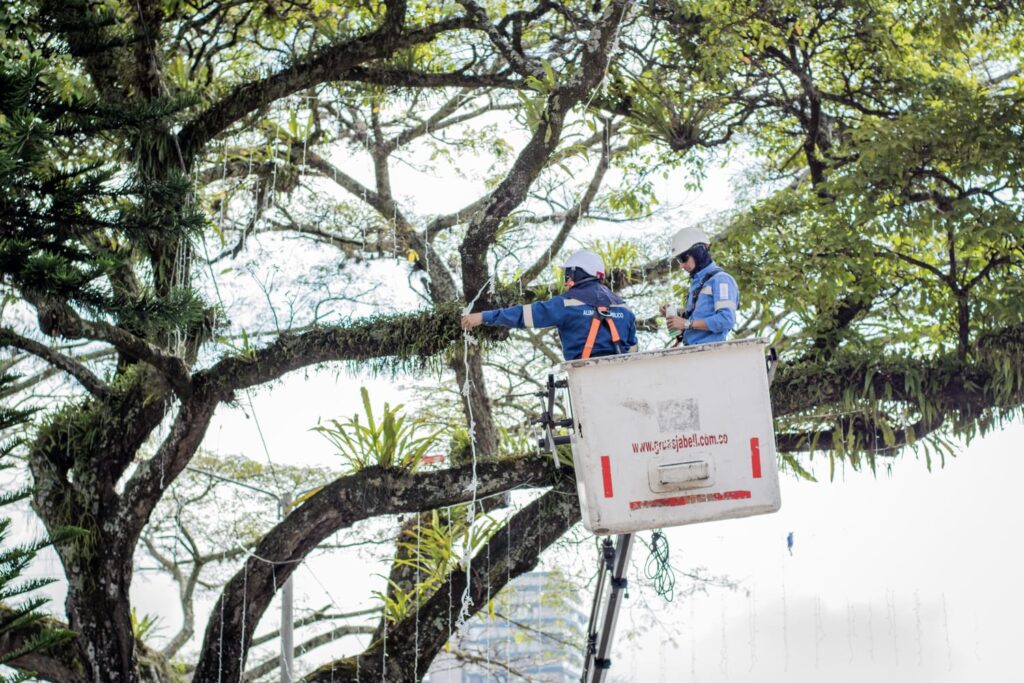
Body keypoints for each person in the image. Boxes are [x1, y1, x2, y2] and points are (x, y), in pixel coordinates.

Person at [461, 250, 638, 361]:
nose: (566, 279)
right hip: (621, 378)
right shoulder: (625, 309)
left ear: (577, 273)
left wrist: (483, 316)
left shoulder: (566, 304)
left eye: (568, 274)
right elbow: (632, 350)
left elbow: (524, 315)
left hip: (584, 376)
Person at [660, 227, 739, 345]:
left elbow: (726, 319)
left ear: (698, 252)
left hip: (710, 353)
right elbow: (696, 318)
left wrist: (686, 324)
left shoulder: (721, 280)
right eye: (678, 260)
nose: (682, 265)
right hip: (693, 351)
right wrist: (676, 315)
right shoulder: (698, 284)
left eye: (683, 258)